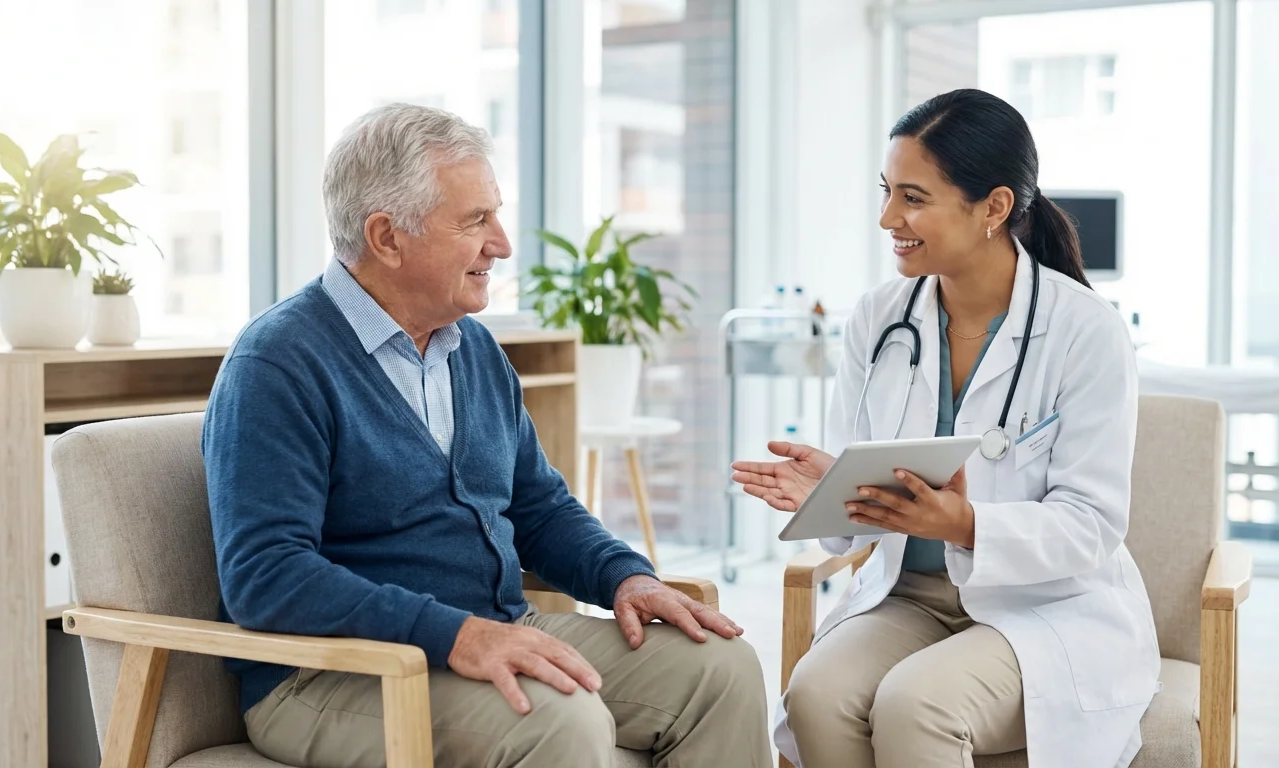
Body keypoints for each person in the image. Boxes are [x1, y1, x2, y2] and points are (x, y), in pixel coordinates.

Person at [202, 103, 771, 768]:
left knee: (722, 670)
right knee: (557, 720)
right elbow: (266, 576)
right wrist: (453, 635)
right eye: (476, 221)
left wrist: (623, 577)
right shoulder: (278, 363)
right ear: (387, 236)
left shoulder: (471, 349)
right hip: (330, 673)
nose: (501, 244)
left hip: (493, 632)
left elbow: (538, 508)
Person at [732, 89, 1158, 768]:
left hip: (1046, 607)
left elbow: (1091, 524)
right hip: (910, 596)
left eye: (913, 197)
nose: (887, 218)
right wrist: (830, 491)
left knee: (915, 704)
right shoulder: (879, 319)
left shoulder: (1086, 331)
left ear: (992, 207)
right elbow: (857, 520)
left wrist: (963, 525)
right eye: (886, 192)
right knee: (815, 693)